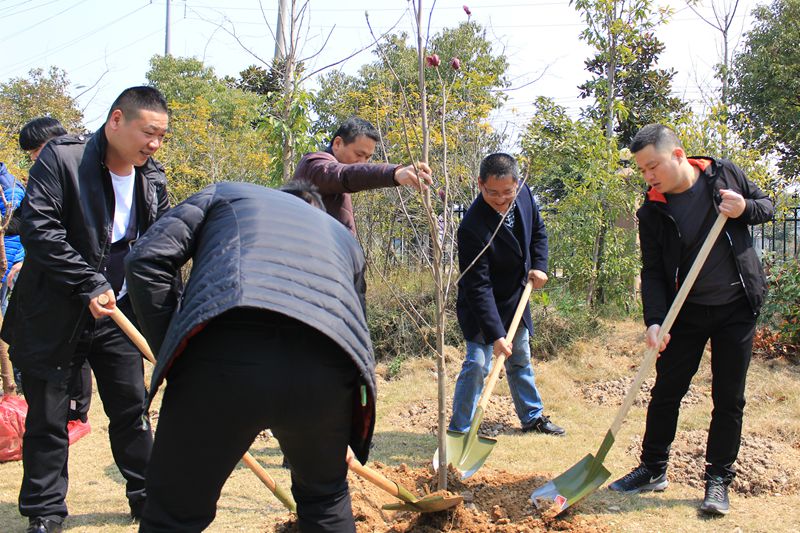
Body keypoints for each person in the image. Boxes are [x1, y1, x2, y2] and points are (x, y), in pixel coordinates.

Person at [124, 181, 376, 533]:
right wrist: (339, 428)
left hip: (225, 360)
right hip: (325, 373)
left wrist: (175, 349)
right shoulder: (343, 237)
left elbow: (146, 259)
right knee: (325, 500)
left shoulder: (225, 194)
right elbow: (356, 329)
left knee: (172, 518)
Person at [1, 86, 171, 533]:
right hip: (54, 315)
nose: (153, 144)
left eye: (161, 136)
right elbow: (40, 230)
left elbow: (159, 251)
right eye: (148, 132)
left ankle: (145, 495)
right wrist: (89, 283)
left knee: (131, 410)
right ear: (117, 120)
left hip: (117, 314)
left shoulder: (152, 179)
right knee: (49, 419)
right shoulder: (62, 159)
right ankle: (45, 512)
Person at [608, 124, 773, 516]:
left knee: (728, 397)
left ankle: (718, 479)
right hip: (685, 312)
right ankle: (652, 468)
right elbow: (652, 271)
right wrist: (654, 320)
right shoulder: (652, 209)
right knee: (666, 390)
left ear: (678, 155)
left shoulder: (724, 175)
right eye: (643, 170)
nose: (649, 176)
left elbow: (766, 206)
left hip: (736, 306)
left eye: (653, 166)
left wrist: (744, 208)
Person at [449, 153, 564, 437]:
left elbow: (538, 231)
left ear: (517, 184)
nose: (501, 199)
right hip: (482, 307)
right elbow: (479, 286)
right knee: (478, 363)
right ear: (480, 185)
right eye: (493, 193)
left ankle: (532, 416)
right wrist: (496, 335)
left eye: (507, 192)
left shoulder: (524, 194)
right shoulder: (472, 227)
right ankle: (460, 429)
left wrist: (539, 265)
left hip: (516, 297)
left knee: (520, 357)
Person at [14, 116, 94, 425]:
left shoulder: (85, 168)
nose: (34, 157)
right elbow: (30, 223)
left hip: (81, 277)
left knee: (80, 346)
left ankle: (78, 408)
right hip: (55, 274)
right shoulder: (46, 172)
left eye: (36, 149)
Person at [292, 116, 433, 235]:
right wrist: (393, 173)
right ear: (337, 143)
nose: (362, 162)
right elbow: (344, 175)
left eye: (367, 157)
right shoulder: (314, 165)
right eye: (359, 154)